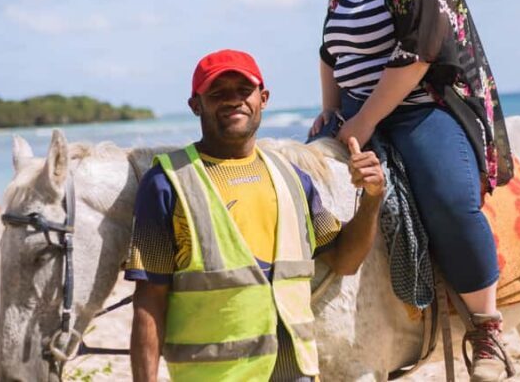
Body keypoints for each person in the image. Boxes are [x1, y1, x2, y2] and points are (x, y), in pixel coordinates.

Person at [310, 0, 515, 381]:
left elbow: (416, 56)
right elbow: (330, 52)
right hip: (355, 112)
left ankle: (486, 327)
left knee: (449, 200)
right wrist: (331, 110)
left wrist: (362, 124)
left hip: (421, 110)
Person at [125, 49, 386, 382]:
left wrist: (372, 198)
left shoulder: (292, 178)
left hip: (297, 374)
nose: (233, 100)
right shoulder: (167, 183)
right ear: (195, 105)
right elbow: (149, 300)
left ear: (263, 99)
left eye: (243, 90)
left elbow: (345, 261)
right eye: (217, 93)